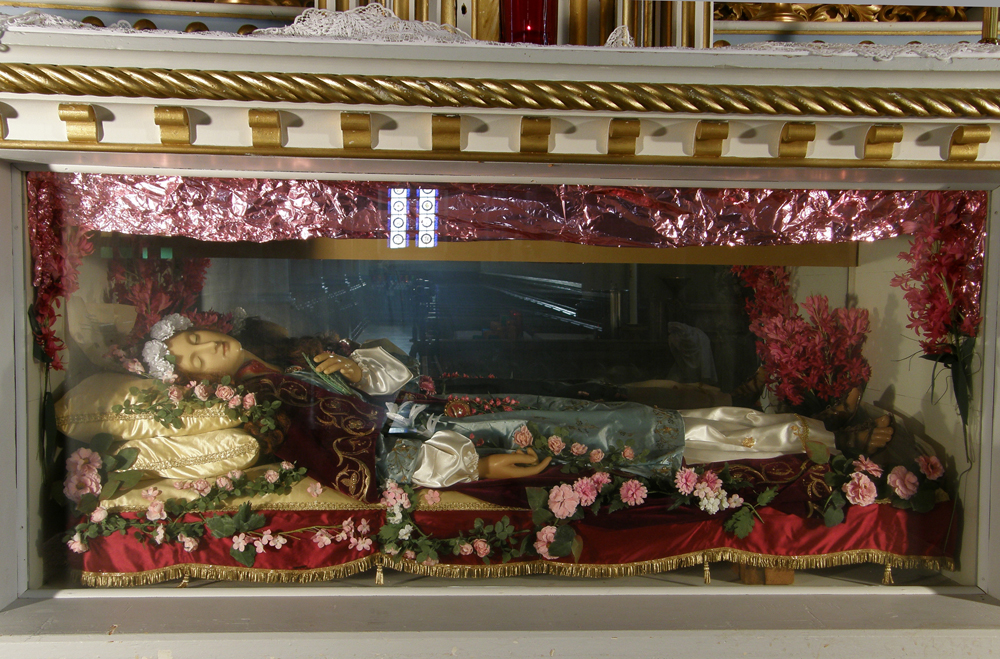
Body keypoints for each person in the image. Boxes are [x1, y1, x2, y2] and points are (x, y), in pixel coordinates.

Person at [140, 315, 893, 492]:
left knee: (612, 412)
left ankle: (799, 432)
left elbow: (393, 375)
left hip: (474, 402)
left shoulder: (304, 353)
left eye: (202, 335)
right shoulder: (272, 406)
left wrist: (356, 363)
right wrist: (480, 459)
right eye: (195, 356)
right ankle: (790, 445)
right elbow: (367, 461)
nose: (210, 345)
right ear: (198, 381)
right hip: (474, 436)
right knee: (623, 438)